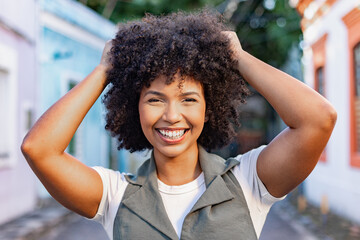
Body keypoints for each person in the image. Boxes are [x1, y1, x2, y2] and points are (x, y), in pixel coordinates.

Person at [21, 10, 337, 240]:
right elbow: (39, 149)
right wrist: (105, 69)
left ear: (209, 109)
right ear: (135, 109)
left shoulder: (247, 181)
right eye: (155, 99)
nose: (172, 115)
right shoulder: (114, 196)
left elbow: (319, 120)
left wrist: (237, 57)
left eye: (188, 99)